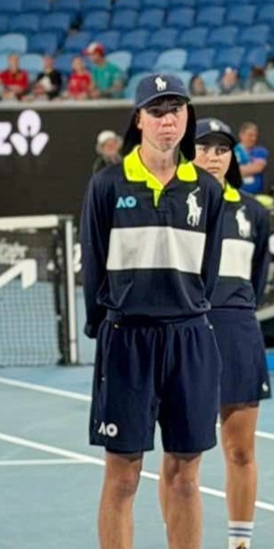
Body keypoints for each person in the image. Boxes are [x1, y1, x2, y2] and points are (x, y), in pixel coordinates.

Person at [81, 74, 225, 549]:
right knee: (122, 477)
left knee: (185, 476)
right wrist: (108, 325)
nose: (168, 120)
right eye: (158, 111)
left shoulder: (206, 190)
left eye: (176, 110)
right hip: (127, 342)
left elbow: (208, 271)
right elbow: (95, 264)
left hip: (189, 342)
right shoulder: (106, 185)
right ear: (138, 119)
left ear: (188, 117)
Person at [190, 118, 271, 549]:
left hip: (238, 330)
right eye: (204, 147)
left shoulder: (254, 213)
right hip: (188, 332)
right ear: (190, 152)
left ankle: (240, 544)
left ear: (231, 157)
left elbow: (256, 284)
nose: (213, 156)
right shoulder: (172, 204)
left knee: (240, 450)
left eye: (222, 149)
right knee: (185, 456)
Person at [236, 122, 268, 195]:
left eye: (255, 136)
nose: (253, 138)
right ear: (242, 135)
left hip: (257, 194)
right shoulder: (233, 151)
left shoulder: (260, 151)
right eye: (250, 135)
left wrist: (238, 170)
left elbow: (258, 168)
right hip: (238, 194)